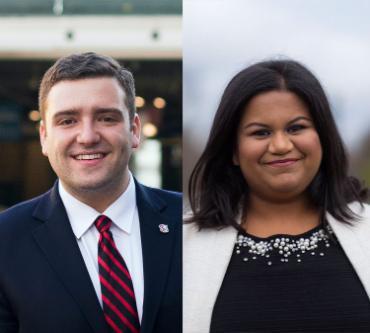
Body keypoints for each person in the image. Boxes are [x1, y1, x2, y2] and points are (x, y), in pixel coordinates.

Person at [0, 52, 181, 333]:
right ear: (44, 137)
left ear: (134, 130)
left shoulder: (192, 222)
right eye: (67, 121)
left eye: (106, 118)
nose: (87, 136)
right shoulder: (5, 241)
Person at [184, 59, 370, 332]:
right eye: (261, 132)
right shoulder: (184, 245)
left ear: (323, 137)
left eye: (296, 128)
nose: (281, 145)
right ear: (233, 150)